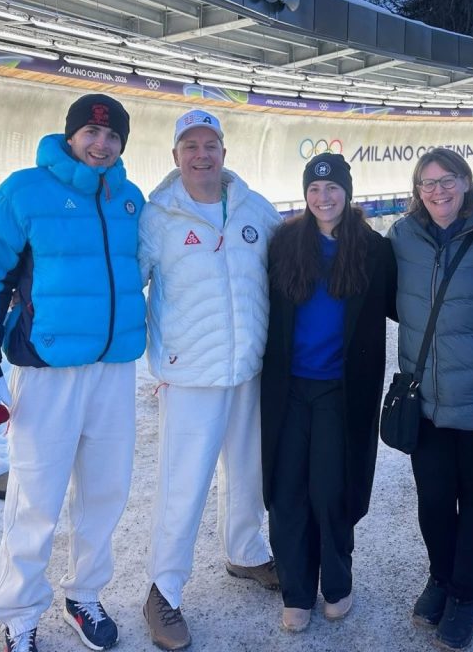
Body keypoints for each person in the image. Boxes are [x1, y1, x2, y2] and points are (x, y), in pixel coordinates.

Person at [0, 93, 146, 652]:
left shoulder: (129, 199)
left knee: (105, 493)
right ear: (70, 135)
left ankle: (84, 594)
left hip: (113, 371)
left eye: (112, 137)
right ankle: (18, 613)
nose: (101, 144)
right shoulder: (25, 192)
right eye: (91, 133)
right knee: (35, 497)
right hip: (47, 371)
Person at [138, 108, 281, 650]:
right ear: (176, 156)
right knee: (184, 484)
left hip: (248, 367)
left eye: (211, 145)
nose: (202, 155)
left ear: (224, 152)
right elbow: (126, 281)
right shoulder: (158, 216)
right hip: (190, 373)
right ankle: (163, 591)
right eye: (191, 146)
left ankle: (246, 553)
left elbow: (291, 257)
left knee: (248, 473)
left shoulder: (251, 206)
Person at [260, 153, 397, 633]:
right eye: (315, 189)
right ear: (306, 194)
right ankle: (297, 591)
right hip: (290, 388)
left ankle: (336, 583)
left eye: (333, 188)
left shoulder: (373, 250)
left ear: (348, 192)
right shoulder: (284, 245)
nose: (324, 197)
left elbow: (412, 304)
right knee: (286, 489)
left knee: (330, 487)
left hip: (342, 391)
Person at [387, 148, 473, 651]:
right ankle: (440, 579)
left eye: (447, 180)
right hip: (427, 398)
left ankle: (466, 594)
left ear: (466, 182)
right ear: (417, 190)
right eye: (427, 183)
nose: (437, 191)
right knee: (434, 500)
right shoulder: (402, 237)